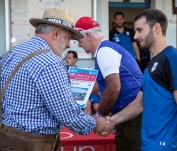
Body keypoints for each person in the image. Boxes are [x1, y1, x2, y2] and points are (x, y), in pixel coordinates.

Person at [0, 8, 113, 151]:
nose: (68, 45)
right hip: (33, 144)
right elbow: (68, 114)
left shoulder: (12, 53)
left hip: (6, 138)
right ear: (56, 33)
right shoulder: (51, 63)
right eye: (68, 38)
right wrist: (97, 124)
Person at [106, 9, 177, 151]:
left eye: (140, 30)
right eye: (135, 31)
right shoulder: (151, 63)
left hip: (166, 145)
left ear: (156, 28)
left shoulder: (174, 57)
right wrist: (111, 121)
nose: (136, 35)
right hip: (148, 143)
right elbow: (138, 105)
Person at [75, 16, 143, 151]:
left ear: (88, 35)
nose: (79, 45)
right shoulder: (104, 50)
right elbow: (99, 86)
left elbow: (113, 87)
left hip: (134, 115)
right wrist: (73, 94)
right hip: (128, 114)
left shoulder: (104, 51)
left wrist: (99, 116)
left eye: (79, 40)